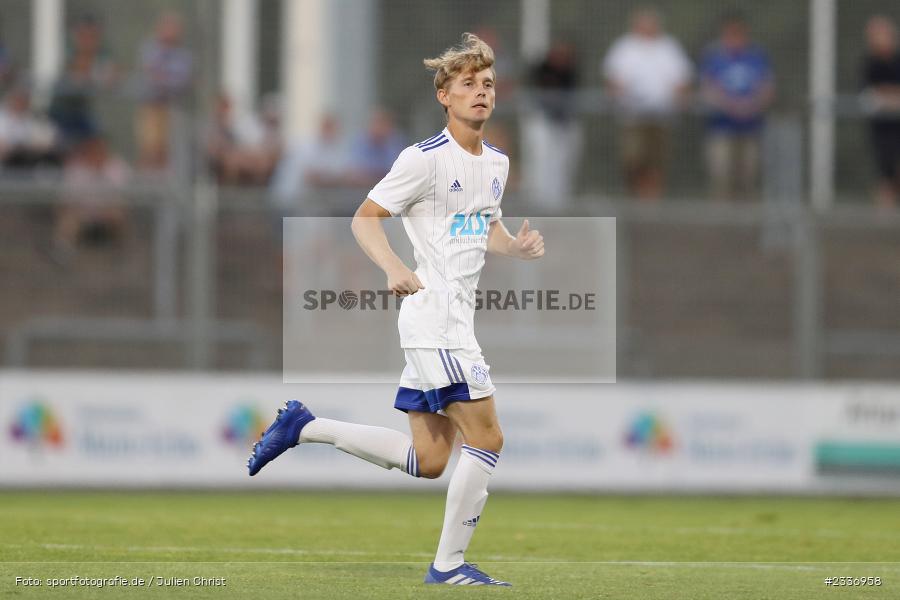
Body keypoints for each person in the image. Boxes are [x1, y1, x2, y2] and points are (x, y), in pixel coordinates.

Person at [247, 33, 545, 587]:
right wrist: (391, 267)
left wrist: (515, 247)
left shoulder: (497, 163)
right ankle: (449, 566)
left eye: (487, 83)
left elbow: (485, 227)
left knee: (429, 461)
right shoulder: (422, 160)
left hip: (453, 321)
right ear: (444, 96)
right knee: (488, 438)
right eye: (468, 84)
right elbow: (364, 218)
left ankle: (306, 427)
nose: (481, 92)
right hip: (436, 319)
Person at [603, 7, 692, 200]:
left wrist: (680, 96)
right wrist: (619, 93)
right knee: (633, 158)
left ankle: (652, 200)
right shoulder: (625, 47)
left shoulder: (669, 47)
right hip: (633, 116)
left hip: (662, 116)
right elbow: (612, 79)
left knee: (657, 161)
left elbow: (682, 79)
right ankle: (635, 195)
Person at [700, 13, 774, 201]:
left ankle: (748, 217)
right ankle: (722, 215)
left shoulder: (757, 56)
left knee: (749, 176)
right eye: (731, 33)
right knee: (721, 175)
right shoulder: (714, 57)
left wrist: (751, 104)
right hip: (721, 127)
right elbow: (707, 88)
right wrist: (731, 105)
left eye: (739, 33)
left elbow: (767, 87)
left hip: (751, 127)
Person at [522, 40, 583, 209]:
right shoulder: (541, 71)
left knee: (562, 162)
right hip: (542, 121)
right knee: (541, 160)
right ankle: (540, 200)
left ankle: (559, 201)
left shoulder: (570, 73)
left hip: (563, 124)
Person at [135, 11, 193, 171]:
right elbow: (151, 75)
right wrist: (164, 78)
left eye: (173, 28)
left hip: (173, 108)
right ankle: (146, 180)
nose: (170, 32)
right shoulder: (149, 49)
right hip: (151, 107)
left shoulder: (184, 55)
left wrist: (164, 78)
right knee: (150, 148)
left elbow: (181, 81)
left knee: (169, 152)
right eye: (167, 27)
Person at [861, 15, 900, 209]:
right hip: (882, 129)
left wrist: (888, 96)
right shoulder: (870, 63)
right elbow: (870, 93)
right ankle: (885, 214)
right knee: (885, 172)